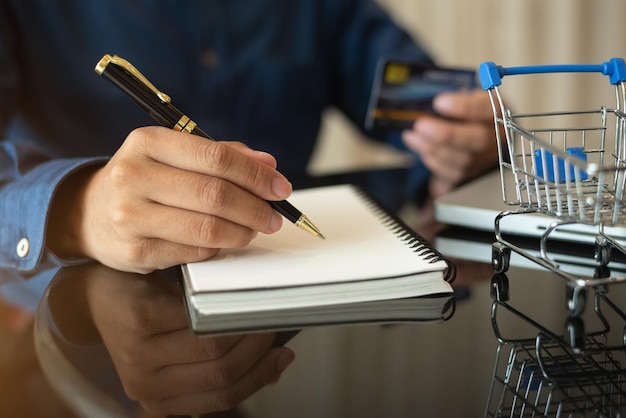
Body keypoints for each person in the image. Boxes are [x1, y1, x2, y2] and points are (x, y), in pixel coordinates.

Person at [0, 0, 497, 415]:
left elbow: (410, 94)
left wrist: (469, 131)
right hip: (79, 349)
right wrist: (78, 208)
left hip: (282, 326)